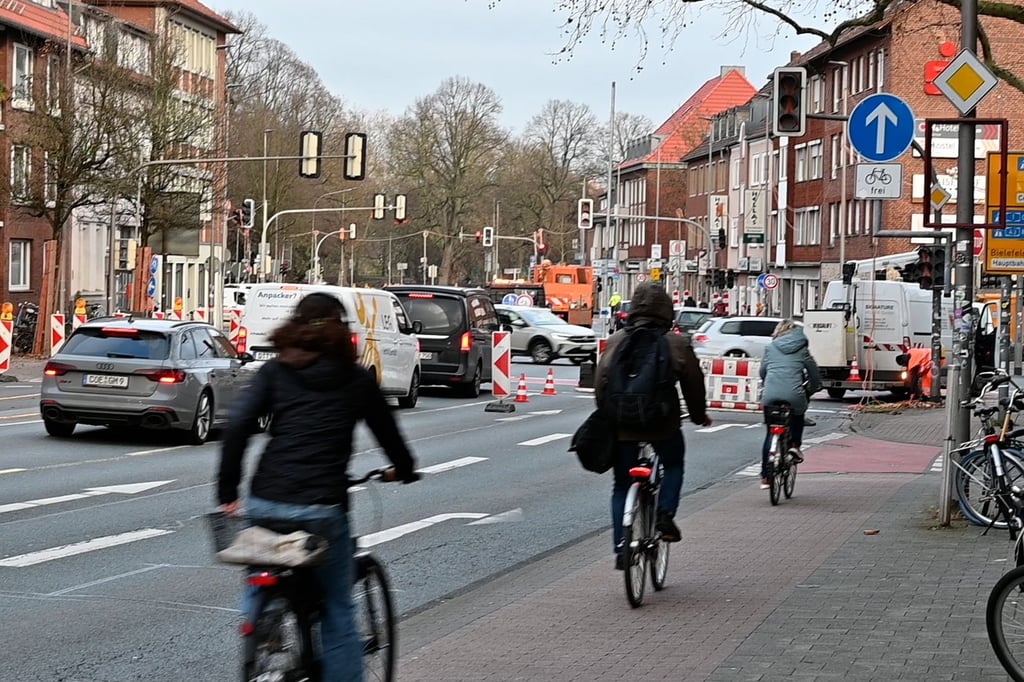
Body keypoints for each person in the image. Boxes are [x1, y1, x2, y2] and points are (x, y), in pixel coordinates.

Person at [217, 292, 419, 682]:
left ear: (294, 328)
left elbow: (238, 425)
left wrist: (228, 492)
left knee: (263, 568)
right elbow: (389, 436)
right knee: (338, 609)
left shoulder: (275, 373)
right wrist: (405, 469)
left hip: (266, 501)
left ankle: (261, 620)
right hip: (321, 509)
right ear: (342, 333)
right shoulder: (356, 381)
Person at [595, 283, 711, 570]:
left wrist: (606, 415)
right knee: (673, 465)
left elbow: (601, 383)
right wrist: (698, 415)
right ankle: (665, 513)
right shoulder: (676, 344)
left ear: (632, 309)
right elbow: (693, 385)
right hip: (662, 424)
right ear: (666, 311)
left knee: (621, 484)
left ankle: (621, 546)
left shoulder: (616, 341)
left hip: (622, 426)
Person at [758, 319, 822, 489]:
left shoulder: (770, 348)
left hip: (770, 395)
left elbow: (762, 372)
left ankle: (765, 477)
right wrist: (811, 389)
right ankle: (795, 445)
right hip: (794, 394)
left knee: (770, 433)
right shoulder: (802, 349)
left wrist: (768, 383)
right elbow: (814, 375)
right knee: (798, 414)